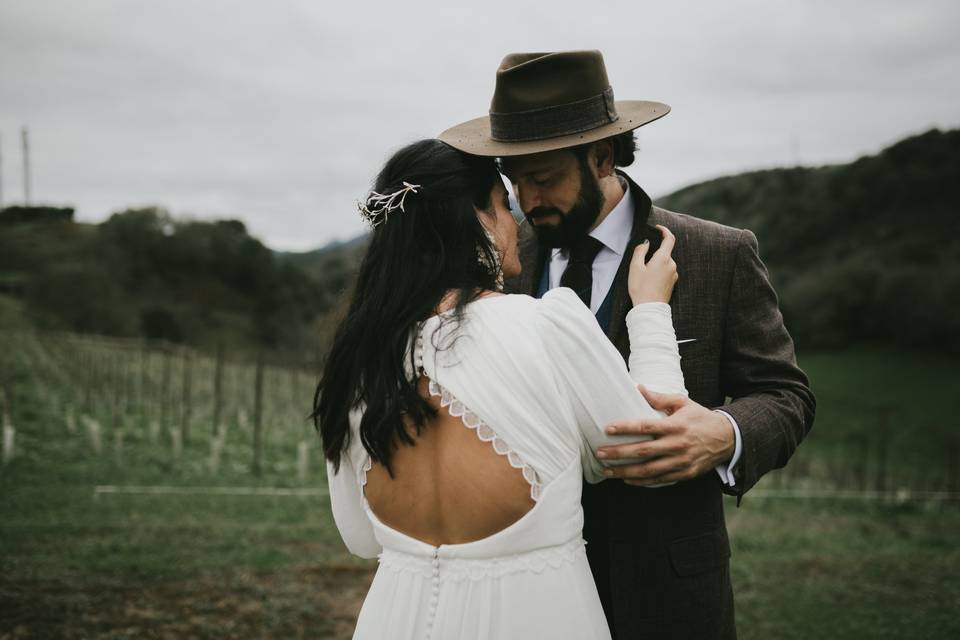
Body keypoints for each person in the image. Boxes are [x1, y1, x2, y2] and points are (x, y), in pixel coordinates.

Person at [438, 50, 817, 639]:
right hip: (526, 590)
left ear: (603, 156)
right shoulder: (505, 265)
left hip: (669, 592)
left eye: (544, 179)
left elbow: (785, 396)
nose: (527, 201)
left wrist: (725, 434)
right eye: (515, 183)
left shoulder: (717, 253)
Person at [315, 138, 689, 639]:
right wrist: (649, 312)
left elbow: (361, 538)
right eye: (504, 205)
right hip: (533, 616)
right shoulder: (546, 324)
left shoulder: (358, 360)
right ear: (477, 220)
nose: (517, 222)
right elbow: (652, 450)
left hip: (393, 618)